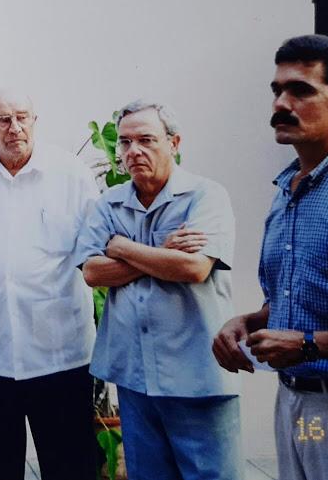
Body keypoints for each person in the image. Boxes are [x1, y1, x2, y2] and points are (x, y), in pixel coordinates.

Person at [213, 35, 328, 480]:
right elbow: (299, 297)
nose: (281, 104)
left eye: (301, 90)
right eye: (277, 90)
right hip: (293, 403)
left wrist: (308, 344)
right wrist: (248, 321)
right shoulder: (288, 189)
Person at [76, 99, 241, 480]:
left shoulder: (205, 196)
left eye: (146, 140)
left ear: (174, 142)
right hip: (135, 377)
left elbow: (194, 268)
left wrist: (122, 247)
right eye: (125, 142)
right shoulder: (109, 204)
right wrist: (161, 251)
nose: (133, 151)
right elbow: (93, 273)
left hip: (197, 374)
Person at [0, 89, 99, 480]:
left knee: (71, 467)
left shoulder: (71, 175)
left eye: (22, 117)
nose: (14, 128)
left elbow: (95, 249)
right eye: (3, 120)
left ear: (34, 121)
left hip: (60, 354)